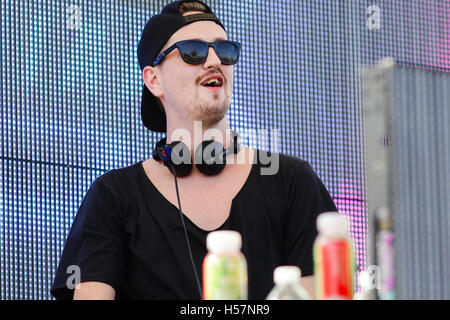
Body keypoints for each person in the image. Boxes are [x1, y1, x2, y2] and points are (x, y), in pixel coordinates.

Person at [50, 0, 337, 300]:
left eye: (224, 51)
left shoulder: (291, 180)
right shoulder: (113, 196)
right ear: (154, 79)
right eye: (194, 51)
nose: (214, 61)